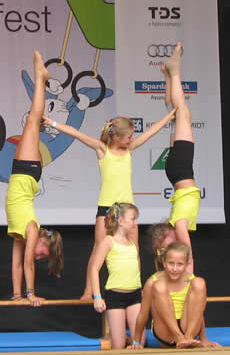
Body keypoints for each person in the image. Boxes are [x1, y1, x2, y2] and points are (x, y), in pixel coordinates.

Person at [44, 102, 175, 299]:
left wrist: (169, 117)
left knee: (134, 250)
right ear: (117, 136)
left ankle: (135, 288)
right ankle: (89, 291)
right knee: (99, 249)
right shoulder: (102, 150)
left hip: (128, 209)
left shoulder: (130, 150)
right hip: (106, 208)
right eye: (128, 137)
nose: (131, 139)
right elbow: (75, 133)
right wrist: (51, 122)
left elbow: (151, 132)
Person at [6, 50, 64, 305]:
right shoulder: (31, 228)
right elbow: (28, 262)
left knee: (32, 122)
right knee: (32, 119)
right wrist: (32, 295)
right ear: (42, 240)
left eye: (42, 257)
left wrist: (18, 296)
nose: (39, 257)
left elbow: (17, 264)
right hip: (26, 171)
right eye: (43, 253)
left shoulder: (21, 234)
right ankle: (40, 77)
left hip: (22, 172)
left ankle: (41, 77)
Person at [158, 42, 201, 272]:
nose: (168, 235)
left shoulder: (179, 223)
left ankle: (174, 72)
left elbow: (187, 252)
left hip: (181, 171)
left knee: (182, 112)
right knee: (177, 114)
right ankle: (169, 76)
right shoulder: (177, 221)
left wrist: (190, 276)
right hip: (178, 173)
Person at [130, 242, 220, 349]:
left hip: (187, 329)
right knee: (158, 286)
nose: (175, 269)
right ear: (164, 262)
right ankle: (179, 338)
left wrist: (203, 338)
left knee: (199, 282)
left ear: (187, 264)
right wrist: (136, 342)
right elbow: (143, 314)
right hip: (165, 331)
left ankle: (188, 338)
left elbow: (198, 312)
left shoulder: (191, 279)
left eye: (180, 264)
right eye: (171, 263)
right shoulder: (152, 281)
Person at [88, 203, 143, 349]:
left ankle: (124, 337)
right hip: (115, 296)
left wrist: (140, 287)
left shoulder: (132, 243)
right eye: (133, 219)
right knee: (119, 346)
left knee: (139, 343)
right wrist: (97, 297)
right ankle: (115, 336)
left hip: (135, 295)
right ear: (120, 221)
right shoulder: (108, 241)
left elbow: (136, 267)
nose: (136, 223)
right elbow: (94, 269)